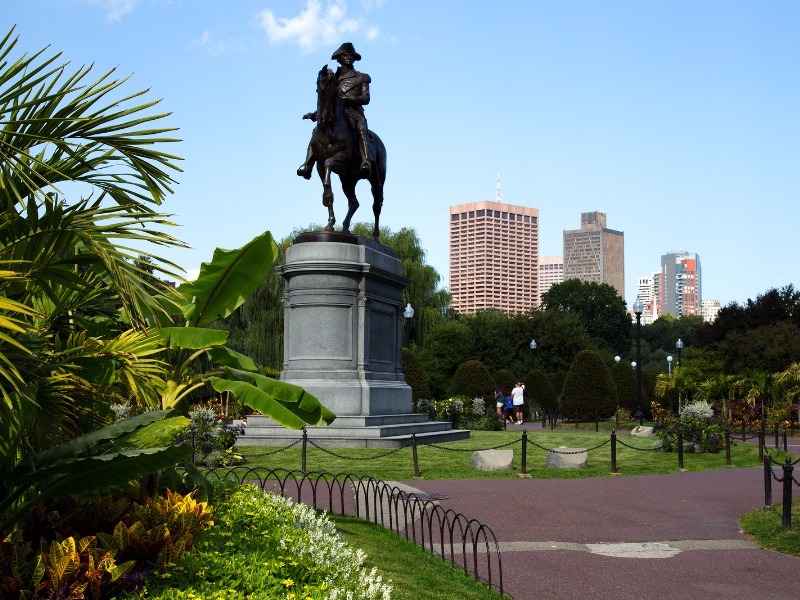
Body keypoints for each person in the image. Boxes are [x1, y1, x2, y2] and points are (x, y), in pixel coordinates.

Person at [297, 42, 372, 179]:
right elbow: (327, 100)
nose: (348, 57)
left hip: (354, 112)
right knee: (317, 130)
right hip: (336, 112)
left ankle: (366, 161)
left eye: (351, 55)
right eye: (345, 55)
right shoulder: (334, 78)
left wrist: (350, 100)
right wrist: (315, 114)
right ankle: (307, 164)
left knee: (361, 128)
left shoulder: (362, 77)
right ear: (339, 59)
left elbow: (366, 98)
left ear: (354, 58)